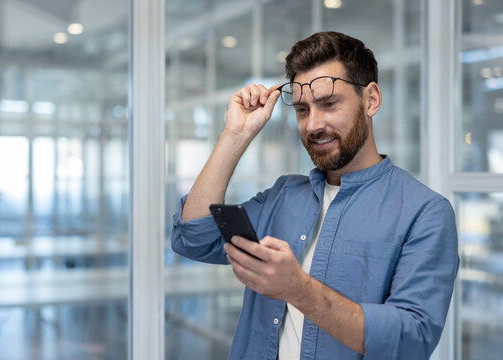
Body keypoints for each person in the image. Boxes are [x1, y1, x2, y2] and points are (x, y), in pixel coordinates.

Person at [171, 31, 459, 360]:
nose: (313, 125)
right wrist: (235, 135)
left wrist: (299, 289)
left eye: (328, 104)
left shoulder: (425, 213)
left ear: (371, 100)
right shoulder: (283, 196)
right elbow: (192, 237)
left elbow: (412, 339)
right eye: (303, 110)